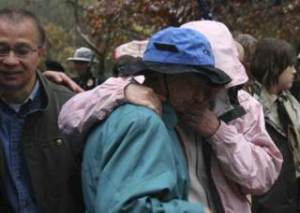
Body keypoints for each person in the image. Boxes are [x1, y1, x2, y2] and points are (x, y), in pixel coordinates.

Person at [59, 20, 282, 213]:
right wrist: (122, 92)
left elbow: (263, 177)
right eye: (198, 83)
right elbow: (69, 115)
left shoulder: (243, 105)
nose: (204, 95)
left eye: (213, 85)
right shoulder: (138, 110)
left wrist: (218, 133)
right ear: (167, 76)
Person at [83, 27, 232, 212]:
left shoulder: (146, 118)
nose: (201, 97)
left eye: (205, 88)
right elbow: (125, 208)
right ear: (163, 76)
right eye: (194, 84)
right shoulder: (143, 123)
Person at [0, 8, 84, 212]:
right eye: (1, 49)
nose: (10, 61)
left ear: (40, 53)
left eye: (22, 51)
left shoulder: (72, 109)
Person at [251, 38, 300, 213]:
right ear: (274, 67)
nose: (294, 71)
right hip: (269, 203)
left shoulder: (290, 102)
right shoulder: (252, 108)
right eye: (289, 66)